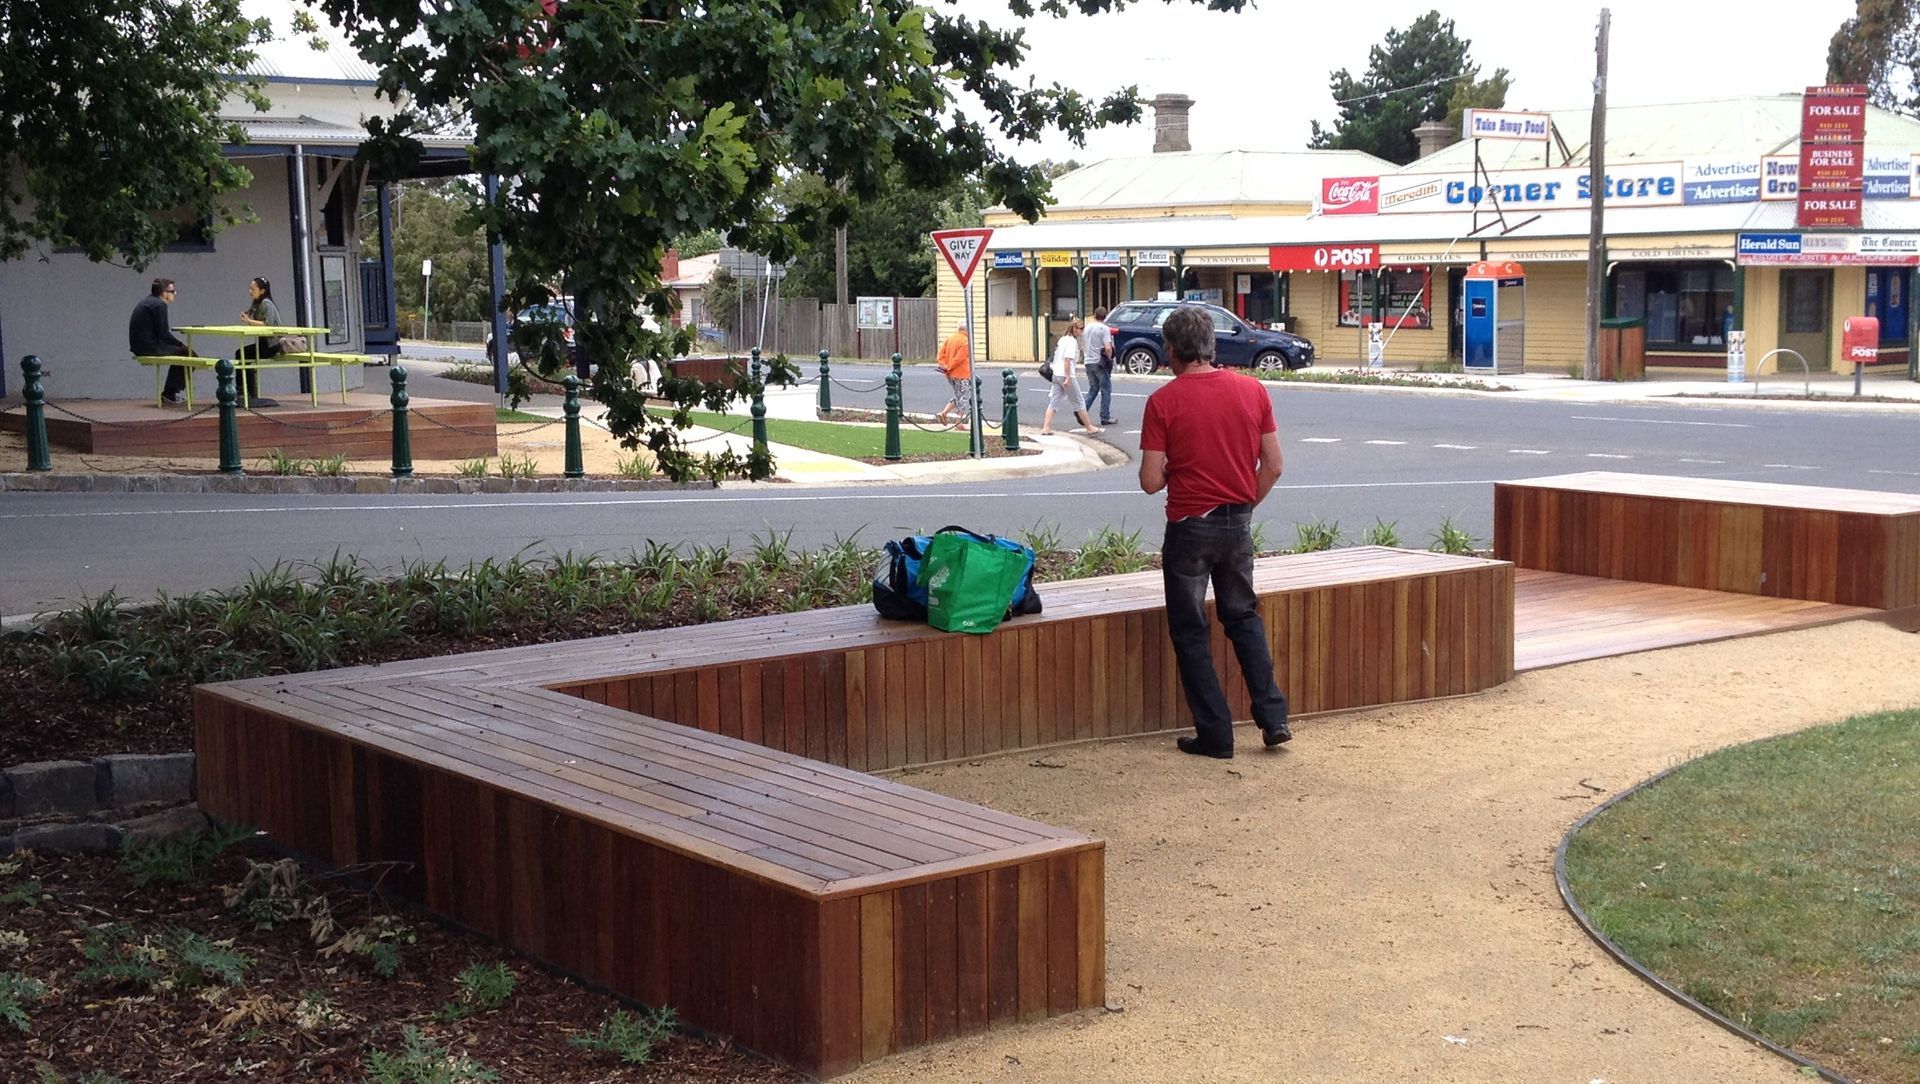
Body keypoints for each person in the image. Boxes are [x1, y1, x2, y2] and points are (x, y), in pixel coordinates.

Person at [1138, 305, 1290, 759]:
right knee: (1243, 618)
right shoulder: (1253, 390)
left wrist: (1174, 469)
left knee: (1190, 630)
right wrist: (1242, 505)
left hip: (1188, 526)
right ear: (1212, 345)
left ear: (1170, 350)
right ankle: (1274, 717)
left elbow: (1149, 481)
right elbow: (1274, 465)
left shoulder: (1163, 401)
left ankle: (1216, 734)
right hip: (1237, 522)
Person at [129, 278, 195, 405]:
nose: (174, 294)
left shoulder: (148, 301)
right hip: (149, 347)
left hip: (140, 345)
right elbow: (164, 333)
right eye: (173, 291)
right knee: (188, 354)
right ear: (164, 293)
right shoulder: (159, 305)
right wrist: (181, 345)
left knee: (183, 353)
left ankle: (170, 392)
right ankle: (170, 393)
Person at [1041, 318, 1102, 436]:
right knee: (1079, 401)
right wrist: (1068, 378)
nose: (1082, 331)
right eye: (1080, 329)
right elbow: (1067, 361)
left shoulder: (1062, 339)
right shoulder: (1071, 342)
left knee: (1054, 401)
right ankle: (1089, 427)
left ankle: (1046, 427)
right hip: (1065, 375)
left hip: (1056, 373)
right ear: (1074, 329)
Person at [233, 276, 283, 408]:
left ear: (262, 291)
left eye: (253, 289)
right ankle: (245, 389)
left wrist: (249, 321)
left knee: (244, 355)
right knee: (243, 354)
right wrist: (249, 318)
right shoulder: (257, 304)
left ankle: (246, 390)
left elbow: (268, 324)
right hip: (264, 343)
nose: (250, 291)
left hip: (271, 345)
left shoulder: (266, 303)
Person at [1080, 305, 1116, 425]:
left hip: (1088, 361)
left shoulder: (1087, 328)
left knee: (1093, 388)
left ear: (1095, 315)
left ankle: (1082, 412)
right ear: (1105, 317)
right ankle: (1105, 416)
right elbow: (1107, 347)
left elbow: (1083, 344)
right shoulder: (1104, 329)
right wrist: (1109, 358)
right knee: (1106, 389)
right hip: (1099, 362)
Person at [933, 319, 972, 429]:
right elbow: (959, 359)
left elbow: (940, 354)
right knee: (963, 397)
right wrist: (950, 367)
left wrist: (944, 366)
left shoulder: (950, 339)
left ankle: (944, 413)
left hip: (950, 374)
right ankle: (958, 423)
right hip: (962, 373)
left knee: (958, 394)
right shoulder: (965, 341)